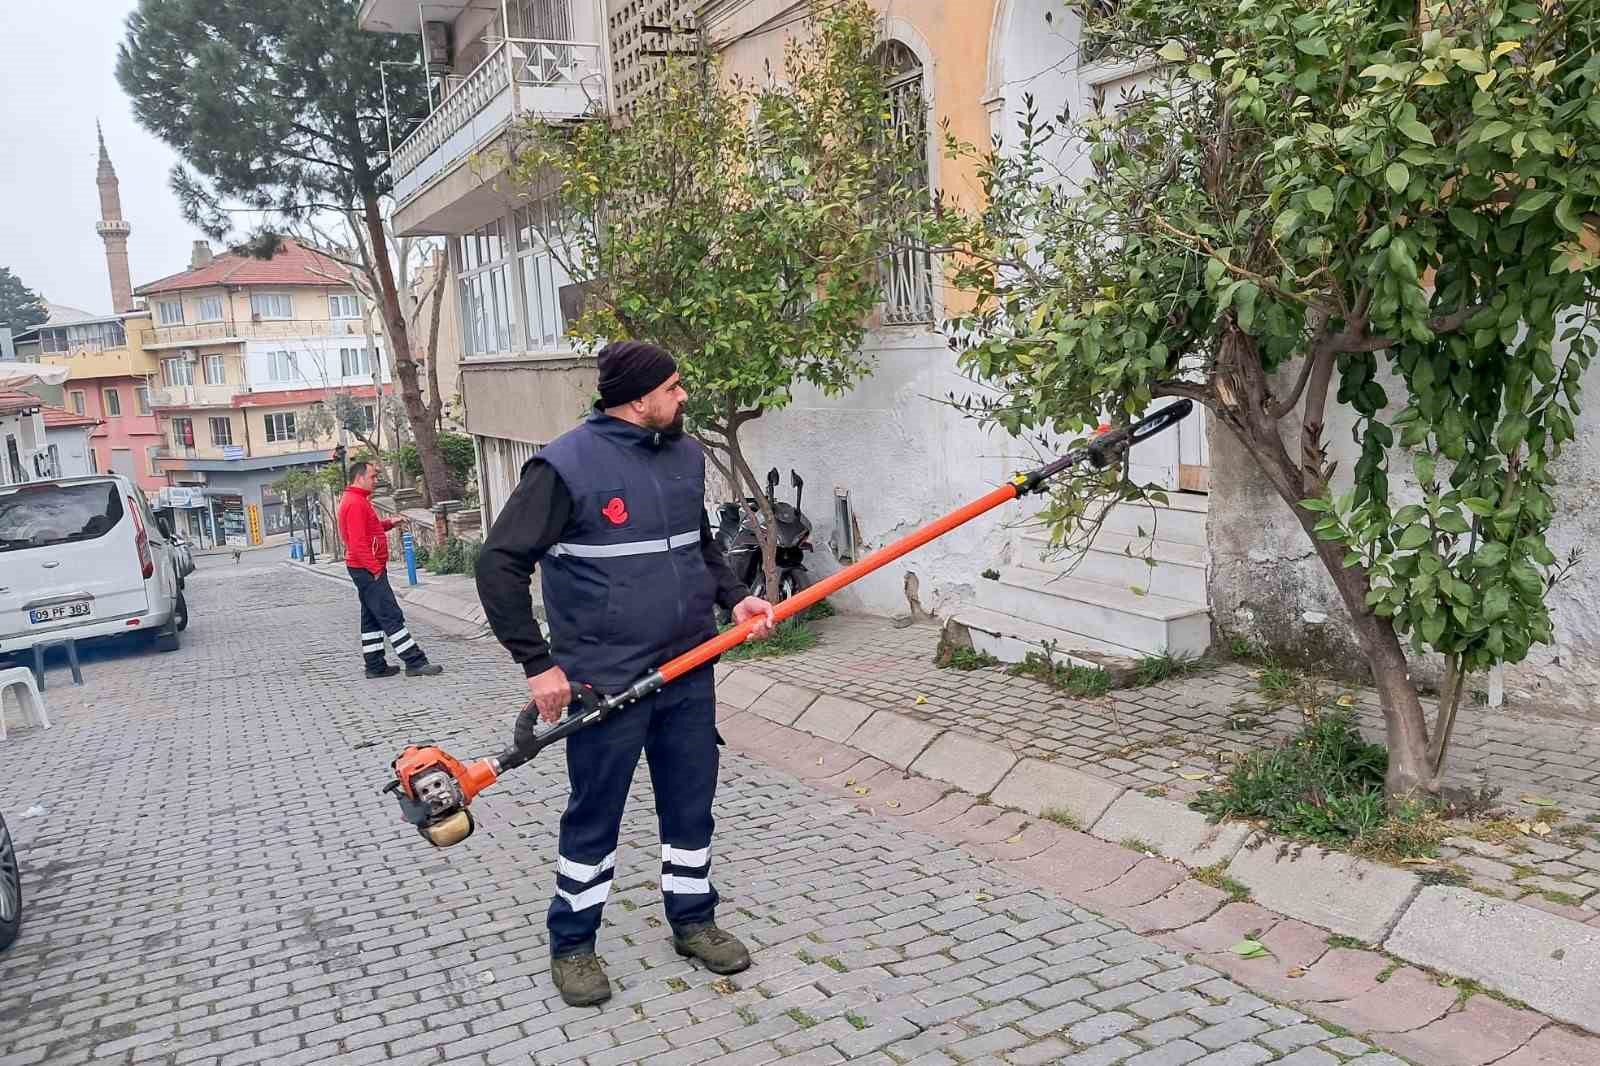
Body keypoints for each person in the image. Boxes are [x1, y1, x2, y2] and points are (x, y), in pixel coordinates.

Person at [476, 340, 776, 1008]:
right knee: (595, 816)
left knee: (690, 804)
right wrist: (537, 663)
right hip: (603, 682)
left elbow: (694, 545)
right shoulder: (565, 466)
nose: (683, 396)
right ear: (639, 396)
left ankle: (693, 920)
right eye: (673, 386)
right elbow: (497, 563)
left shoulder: (684, 455)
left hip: (688, 667)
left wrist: (735, 598)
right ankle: (573, 945)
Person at [337, 461, 443, 678]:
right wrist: (375, 569)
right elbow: (357, 543)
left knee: (372, 618)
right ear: (360, 478)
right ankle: (415, 661)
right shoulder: (356, 503)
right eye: (372, 477)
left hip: (362, 568)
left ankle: (375, 665)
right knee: (390, 614)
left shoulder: (355, 500)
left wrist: (390, 523)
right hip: (367, 568)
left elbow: (369, 530)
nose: (375, 481)